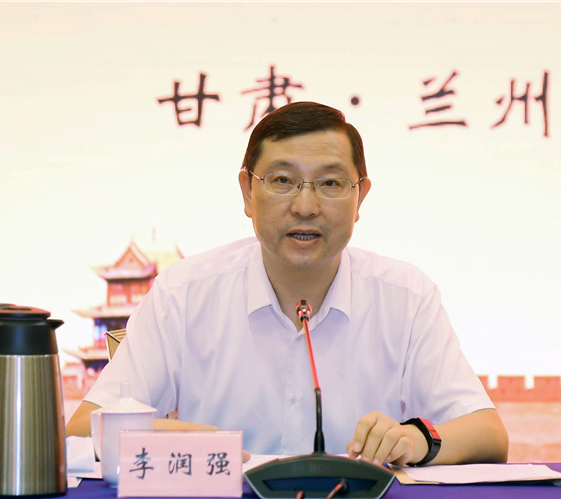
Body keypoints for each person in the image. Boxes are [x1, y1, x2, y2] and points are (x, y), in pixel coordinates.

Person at [67, 101, 509, 467]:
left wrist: (414, 440)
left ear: (360, 197)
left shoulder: (406, 297)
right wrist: (172, 438)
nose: (305, 206)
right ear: (247, 191)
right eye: (282, 181)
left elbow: (487, 434)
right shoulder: (182, 294)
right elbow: (81, 433)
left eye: (331, 183)